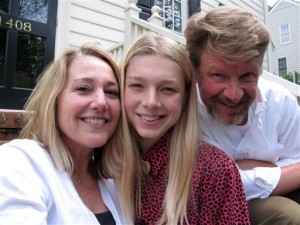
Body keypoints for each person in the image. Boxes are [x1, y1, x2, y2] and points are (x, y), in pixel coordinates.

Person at [115, 32, 250, 224]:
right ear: (121, 88)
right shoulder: (103, 160)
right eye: (137, 85)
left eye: (168, 89)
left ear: (185, 97)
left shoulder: (215, 170)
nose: (151, 102)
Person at [185, 5, 300, 225]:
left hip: (278, 192)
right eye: (219, 75)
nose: (234, 95)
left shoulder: (281, 101)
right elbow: (206, 185)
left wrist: (238, 168)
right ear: (196, 73)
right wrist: (275, 168)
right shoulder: (186, 114)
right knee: (288, 216)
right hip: (214, 209)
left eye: (247, 76)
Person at [0, 46, 124, 224]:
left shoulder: (112, 182)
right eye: (83, 88)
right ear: (54, 100)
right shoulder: (19, 163)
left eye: (111, 92)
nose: (101, 102)